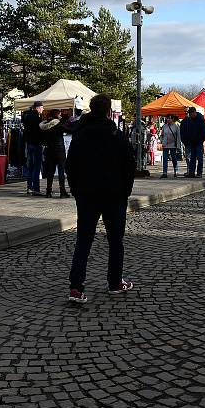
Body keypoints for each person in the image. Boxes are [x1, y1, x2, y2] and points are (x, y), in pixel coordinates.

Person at [66, 94, 136, 303]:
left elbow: (71, 166)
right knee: (116, 241)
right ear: (108, 111)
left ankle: (76, 287)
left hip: (87, 194)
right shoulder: (117, 134)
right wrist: (125, 190)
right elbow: (129, 165)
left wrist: (76, 189)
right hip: (114, 194)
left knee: (83, 240)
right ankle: (115, 282)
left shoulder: (80, 133)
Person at [39, 109, 69, 198]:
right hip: (59, 150)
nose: (60, 116)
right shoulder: (58, 124)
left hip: (49, 150)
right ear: (56, 115)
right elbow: (70, 130)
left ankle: (48, 192)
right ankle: (62, 191)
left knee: (50, 171)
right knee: (61, 171)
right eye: (59, 114)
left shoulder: (43, 126)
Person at [22, 101, 44, 196]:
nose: (43, 109)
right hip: (36, 143)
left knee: (31, 166)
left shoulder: (27, 116)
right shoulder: (37, 118)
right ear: (38, 108)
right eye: (42, 107)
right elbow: (40, 131)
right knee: (36, 166)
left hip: (29, 143)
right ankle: (35, 188)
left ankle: (29, 187)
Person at [180, 106, 205, 178]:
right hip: (192, 142)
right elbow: (188, 131)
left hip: (198, 142)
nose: (190, 115)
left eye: (190, 114)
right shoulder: (190, 120)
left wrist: (201, 140)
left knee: (199, 158)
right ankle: (191, 172)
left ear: (194, 112)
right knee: (192, 158)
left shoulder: (200, 119)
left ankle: (199, 173)